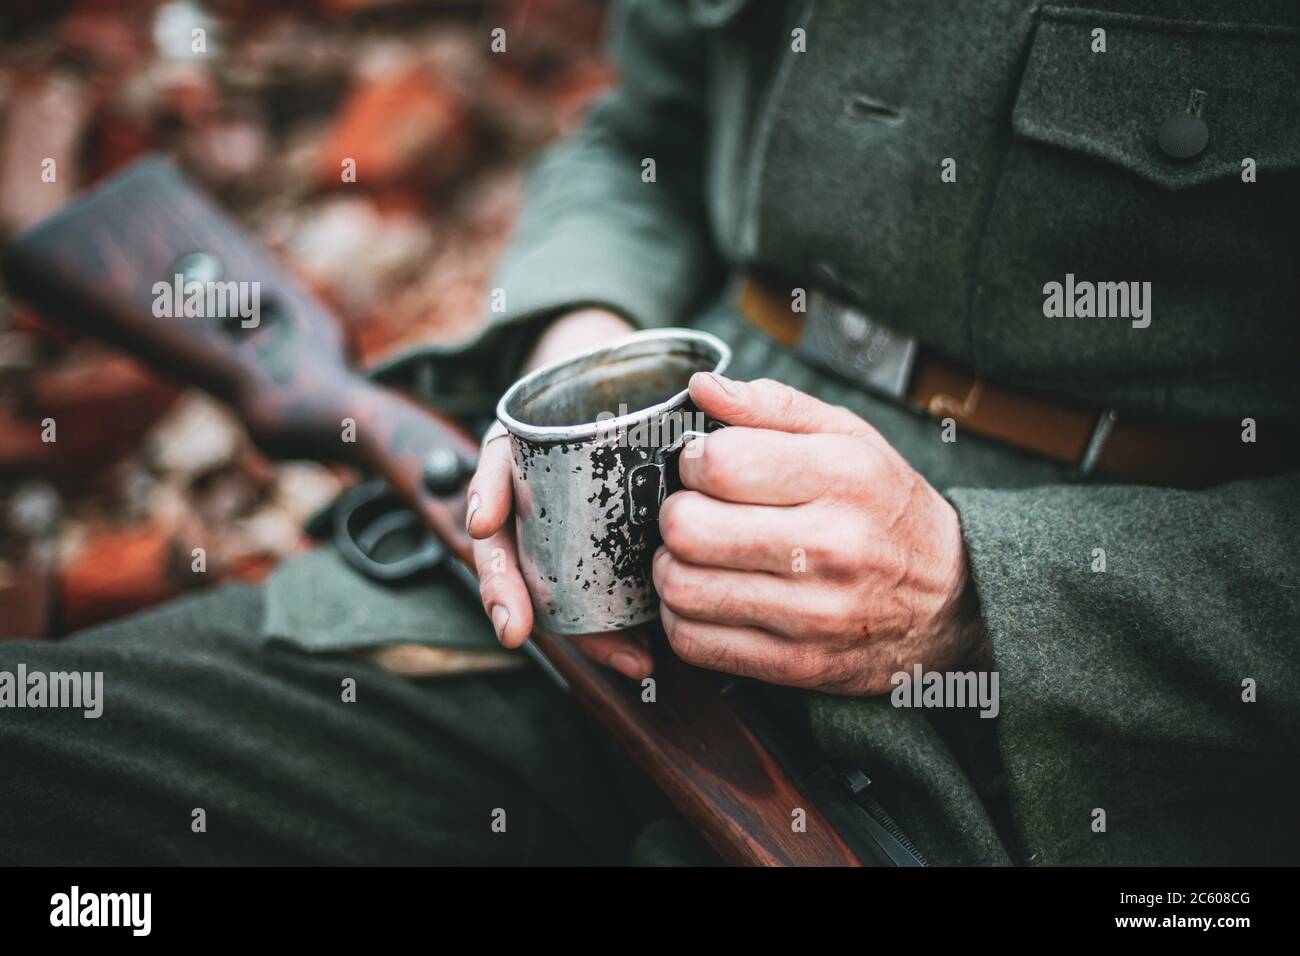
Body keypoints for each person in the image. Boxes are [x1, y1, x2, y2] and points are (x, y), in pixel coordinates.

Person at [2, 0, 1297, 865]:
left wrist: (978, 594)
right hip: (580, 581)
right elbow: (638, 133)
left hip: (1073, 742)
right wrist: (580, 344)